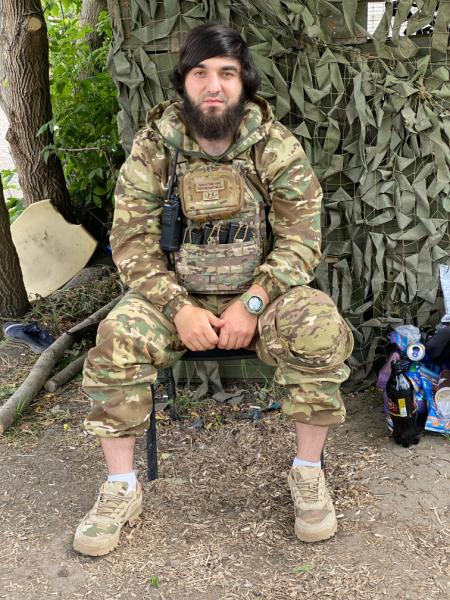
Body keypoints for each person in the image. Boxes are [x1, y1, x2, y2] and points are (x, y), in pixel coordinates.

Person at [73, 23, 353, 557]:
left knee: (318, 327)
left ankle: (308, 472)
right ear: (184, 81)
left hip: (261, 297)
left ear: (244, 81)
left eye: (226, 73)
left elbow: (301, 239)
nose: (214, 86)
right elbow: (131, 243)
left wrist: (254, 301)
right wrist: (178, 308)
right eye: (200, 73)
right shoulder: (156, 147)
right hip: (175, 299)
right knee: (117, 337)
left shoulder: (273, 145)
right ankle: (121, 488)